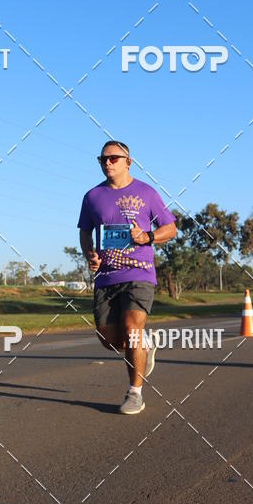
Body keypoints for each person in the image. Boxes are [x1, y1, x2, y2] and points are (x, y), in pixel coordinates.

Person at [78, 141, 176, 414]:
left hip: (139, 273)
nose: (107, 163)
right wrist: (90, 254)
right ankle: (144, 346)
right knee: (110, 340)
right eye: (103, 159)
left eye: (113, 158)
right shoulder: (92, 196)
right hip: (106, 276)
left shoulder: (146, 193)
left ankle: (135, 393)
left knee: (133, 328)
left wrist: (147, 237)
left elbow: (170, 228)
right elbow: (85, 232)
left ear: (128, 162)